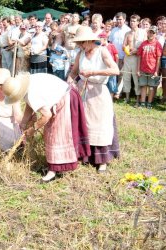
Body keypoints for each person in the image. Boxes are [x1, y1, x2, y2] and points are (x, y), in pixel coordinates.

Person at [2, 72, 90, 182]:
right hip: (65, 95)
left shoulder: (31, 93)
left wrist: (33, 129)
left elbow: (46, 115)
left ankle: (53, 170)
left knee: (54, 135)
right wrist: (23, 124)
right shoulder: (28, 84)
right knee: (54, 134)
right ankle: (57, 165)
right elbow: (30, 105)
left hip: (65, 99)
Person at [67, 26, 120, 172]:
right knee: (85, 123)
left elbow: (115, 70)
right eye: (79, 43)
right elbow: (73, 72)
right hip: (83, 92)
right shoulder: (80, 54)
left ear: (91, 40)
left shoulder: (102, 51)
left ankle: (102, 160)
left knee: (100, 124)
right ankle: (86, 156)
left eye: (83, 42)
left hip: (99, 92)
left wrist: (94, 72)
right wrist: (70, 82)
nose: (81, 46)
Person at [121, 15, 147, 106]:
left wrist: (137, 51)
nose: (132, 23)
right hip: (128, 58)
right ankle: (127, 98)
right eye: (131, 21)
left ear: (138, 22)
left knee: (136, 78)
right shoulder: (127, 33)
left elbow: (145, 45)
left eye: (134, 21)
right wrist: (126, 49)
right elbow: (123, 45)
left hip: (137, 58)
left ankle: (137, 100)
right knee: (126, 77)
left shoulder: (143, 32)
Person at [137, 26, 163, 109]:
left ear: (155, 34)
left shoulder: (157, 44)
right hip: (143, 69)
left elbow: (158, 59)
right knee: (143, 86)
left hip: (152, 70)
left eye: (153, 32)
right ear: (147, 33)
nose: (151, 34)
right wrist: (138, 69)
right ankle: (143, 102)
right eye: (150, 32)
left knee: (151, 87)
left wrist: (156, 71)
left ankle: (149, 103)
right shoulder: (143, 43)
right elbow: (139, 57)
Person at [109, 12, 131, 98]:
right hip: (113, 57)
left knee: (121, 74)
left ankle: (118, 92)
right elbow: (110, 43)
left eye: (120, 19)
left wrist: (126, 55)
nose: (119, 21)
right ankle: (113, 90)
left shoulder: (128, 30)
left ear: (124, 20)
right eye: (117, 19)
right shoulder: (113, 30)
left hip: (123, 56)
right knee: (113, 74)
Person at [99, 32, 119, 98]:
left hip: (111, 68)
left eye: (100, 39)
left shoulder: (111, 46)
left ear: (105, 39)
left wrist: (116, 65)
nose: (99, 40)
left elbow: (116, 56)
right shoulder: (99, 47)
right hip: (103, 68)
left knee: (111, 84)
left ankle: (111, 99)